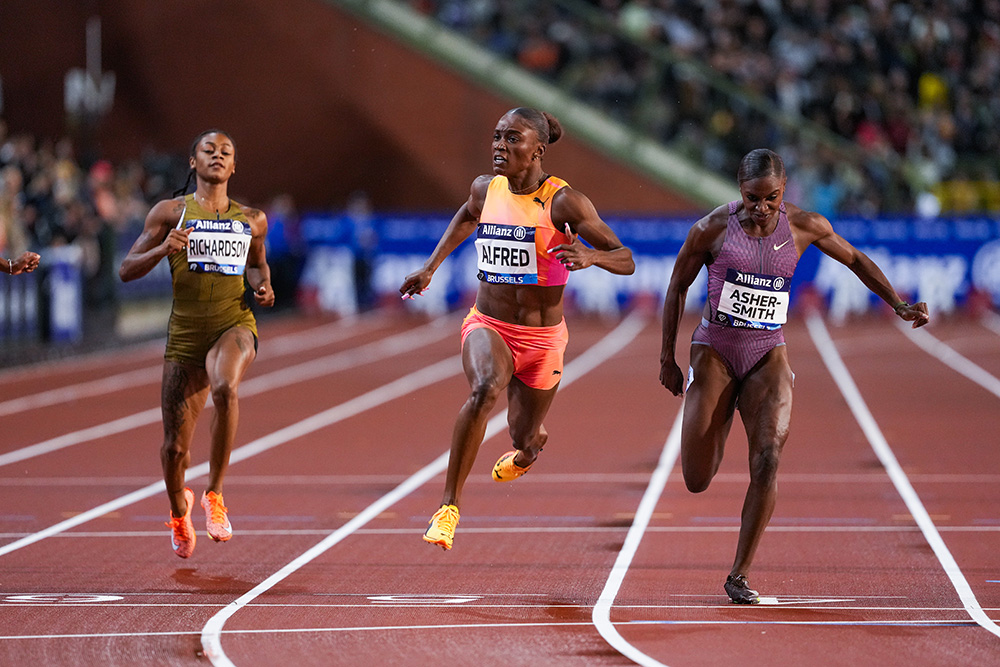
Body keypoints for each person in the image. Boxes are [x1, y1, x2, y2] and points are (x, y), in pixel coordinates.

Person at [659, 148, 929, 603]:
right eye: (751, 199)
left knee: (767, 459)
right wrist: (667, 357)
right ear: (738, 191)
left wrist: (898, 303)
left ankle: (739, 574)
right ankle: (718, 423)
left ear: (784, 191)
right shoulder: (711, 230)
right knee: (696, 478)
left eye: (770, 199)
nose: (761, 209)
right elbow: (677, 285)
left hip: (769, 352)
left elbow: (857, 259)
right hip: (715, 351)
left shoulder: (805, 225)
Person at [400, 107, 635, 550]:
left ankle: (529, 448)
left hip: (543, 340)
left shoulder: (564, 202)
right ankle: (448, 507)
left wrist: (591, 257)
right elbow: (468, 216)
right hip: (489, 323)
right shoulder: (485, 189)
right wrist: (431, 267)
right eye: (496, 137)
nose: (499, 147)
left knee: (523, 433)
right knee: (484, 388)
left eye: (512, 139)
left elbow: (626, 258)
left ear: (537, 151)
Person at [119, 129, 274, 558]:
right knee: (174, 448)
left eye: (226, 151)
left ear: (234, 165)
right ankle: (177, 509)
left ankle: (215, 494)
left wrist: (264, 288)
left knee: (225, 387)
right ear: (193, 162)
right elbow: (126, 269)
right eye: (209, 150)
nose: (218, 156)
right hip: (185, 335)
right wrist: (162, 250)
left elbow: (259, 267)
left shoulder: (252, 220)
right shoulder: (170, 213)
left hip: (233, 324)